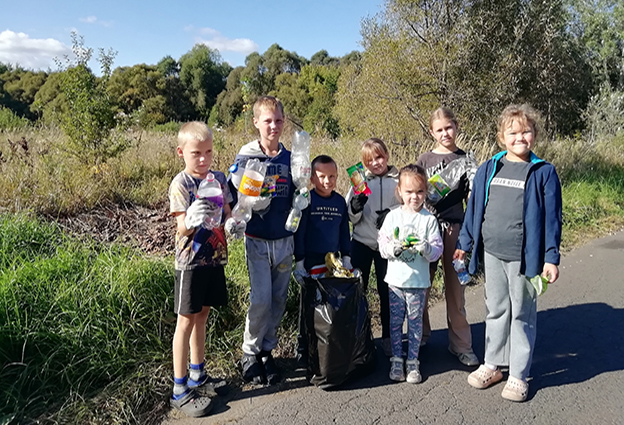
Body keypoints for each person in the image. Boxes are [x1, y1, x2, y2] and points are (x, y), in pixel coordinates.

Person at [455, 104, 562, 402]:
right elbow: (473, 210)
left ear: (535, 135)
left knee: (522, 314)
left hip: (525, 259)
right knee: (496, 309)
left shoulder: (543, 172)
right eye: (512, 132)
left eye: (526, 131)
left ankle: (518, 374)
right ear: (501, 137)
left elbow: (553, 220)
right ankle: (493, 364)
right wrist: (464, 243)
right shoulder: (489, 168)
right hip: (492, 253)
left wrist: (551, 257)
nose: (520, 137)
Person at [168, 121, 236, 417]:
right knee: (185, 321)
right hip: (190, 262)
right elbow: (182, 227)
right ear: (181, 152)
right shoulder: (181, 184)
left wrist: (233, 223)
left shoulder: (218, 178)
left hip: (214, 258)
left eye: (208, 152)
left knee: (203, 314)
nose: (203, 159)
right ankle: (179, 389)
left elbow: (228, 213)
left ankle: (198, 374)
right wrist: (190, 219)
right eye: (196, 153)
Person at [226, 96, 295, 386]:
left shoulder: (291, 158)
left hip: (285, 239)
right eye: (267, 121)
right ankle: (250, 353)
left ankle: (268, 350)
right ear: (256, 122)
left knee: (278, 298)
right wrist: (242, 210)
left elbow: (300, 190)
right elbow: (233, 195)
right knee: (261, 299)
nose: (273, 126)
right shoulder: (246, 156)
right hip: (257, 239)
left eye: (278, 120)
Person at [416, 107, 479, 366]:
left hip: (455, 229)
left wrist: (471, 233)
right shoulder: (424, 159)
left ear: (457, 126)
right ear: (432, 132)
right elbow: (414, 193)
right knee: (422, 286)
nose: (445, 133)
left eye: (449, 127)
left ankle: (461, 345)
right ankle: (420, 338)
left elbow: (472, 198)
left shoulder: (466, 159)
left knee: (456, 290)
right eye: (439, 129)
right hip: (427, 229)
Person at [378, 164, 443, 383]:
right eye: (409, 192)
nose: (414, 197)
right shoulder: (392, 217)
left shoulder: (428, 219)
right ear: (399, 191)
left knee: (415, 323)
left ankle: (413, 361)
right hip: (395, 282)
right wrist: (392, 249)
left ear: (426, 192)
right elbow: (382, 245)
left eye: (419, 192)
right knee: (395, 323)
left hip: (418, 282)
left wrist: (426, 248)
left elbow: (437, 251)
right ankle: (397, 359)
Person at [293, 155, 352, 367]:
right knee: (308, 305)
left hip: (332, 264)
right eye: (322, 176)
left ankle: (327, 345)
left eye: (332, 176)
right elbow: (300, 232)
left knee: (329, 306)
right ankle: (303, 347)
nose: (327, 181)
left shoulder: (339, 202)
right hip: (310, 262)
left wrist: (347, 258)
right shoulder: (306, 200)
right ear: (312, 178)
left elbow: (344, 232)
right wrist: (299, 262)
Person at [345, 138, 400, 357]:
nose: (375, 163)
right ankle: (359, 338)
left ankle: (388, 337)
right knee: (359, 292)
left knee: (388, 293)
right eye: (369, 160)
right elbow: (351, 217)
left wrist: (392, 214)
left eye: (379, 157)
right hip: (361, 243)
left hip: (388, 247)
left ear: (387, 155)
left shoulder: (398, 180)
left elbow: (408, 207)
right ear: (364, 163)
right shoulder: (359, 182)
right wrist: (355, 207)